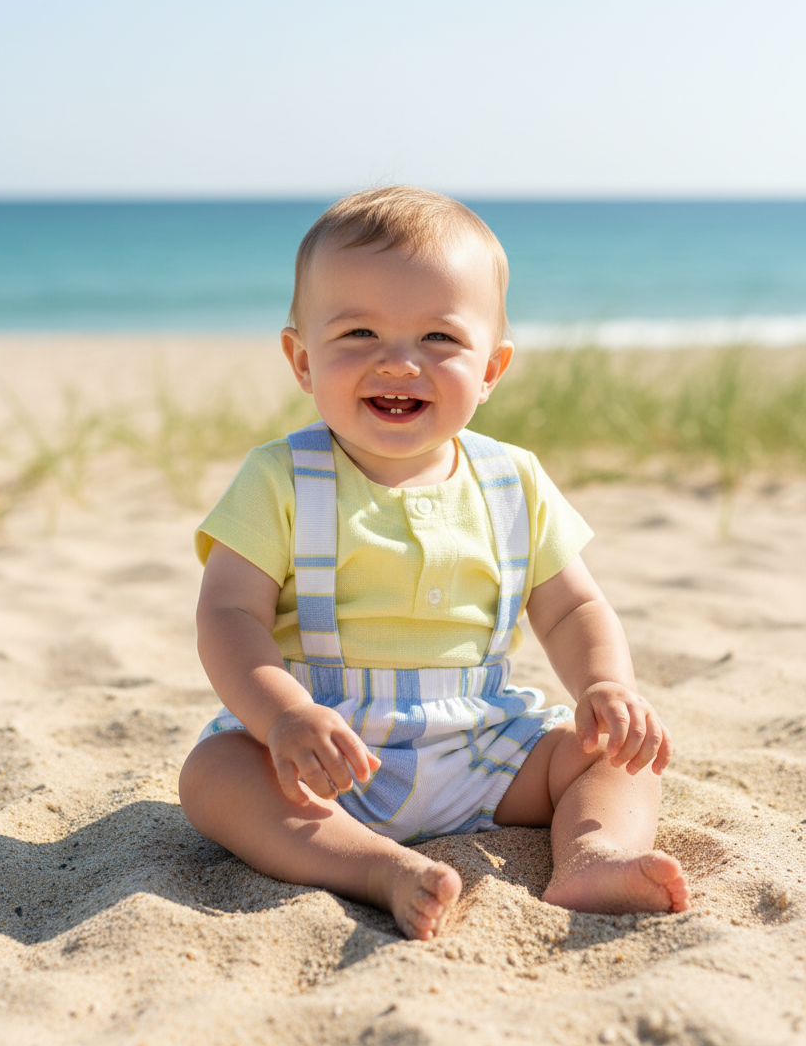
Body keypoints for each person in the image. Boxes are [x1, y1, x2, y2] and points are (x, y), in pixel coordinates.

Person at [178, 187, 690, 941]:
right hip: (325, 744)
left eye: (439, 339)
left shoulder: (513, 480)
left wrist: (605, 686)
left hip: (480, 740)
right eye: (357, 332)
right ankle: (373, 867)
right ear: (301, 359)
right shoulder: (279, 477)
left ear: (491, 369)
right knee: (214, 777)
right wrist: (284, 717)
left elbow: (573, 607)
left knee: (620, 757)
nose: (398, 362)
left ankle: (590, 854)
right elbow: (228, 614)